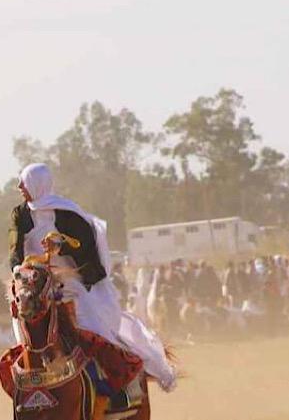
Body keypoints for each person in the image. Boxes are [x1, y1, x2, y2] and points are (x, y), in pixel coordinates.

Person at [9, 162, 176, 391]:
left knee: (91, 326)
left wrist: (61, 245)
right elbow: (14, 249)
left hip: (72, 281)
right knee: (25, 321)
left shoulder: (67, 213)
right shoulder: (20, 214)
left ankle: (113, 386)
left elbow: (86, 245)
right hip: (34, 282)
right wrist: (18, 269)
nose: (19, 186)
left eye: (24, 182)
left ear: (37, 184)